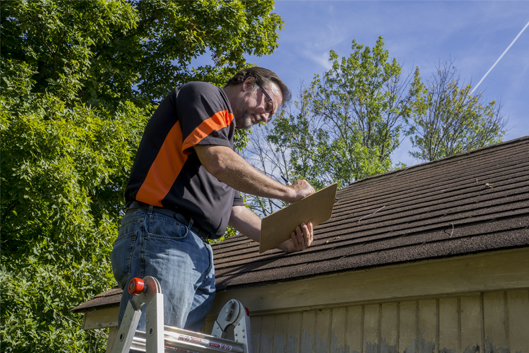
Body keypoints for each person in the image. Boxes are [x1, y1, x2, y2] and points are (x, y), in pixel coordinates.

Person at [111, 67, 315, 333]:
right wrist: (289, 192)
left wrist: (283, 241)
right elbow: (219, 162)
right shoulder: (204, 95)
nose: (265, 117)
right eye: (267, 105)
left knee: (174, 349)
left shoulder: (223, 147)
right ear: (248, 83)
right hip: (163, 235)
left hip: (196, 252)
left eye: (271, 114)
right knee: (154, 344)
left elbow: (235, 212)